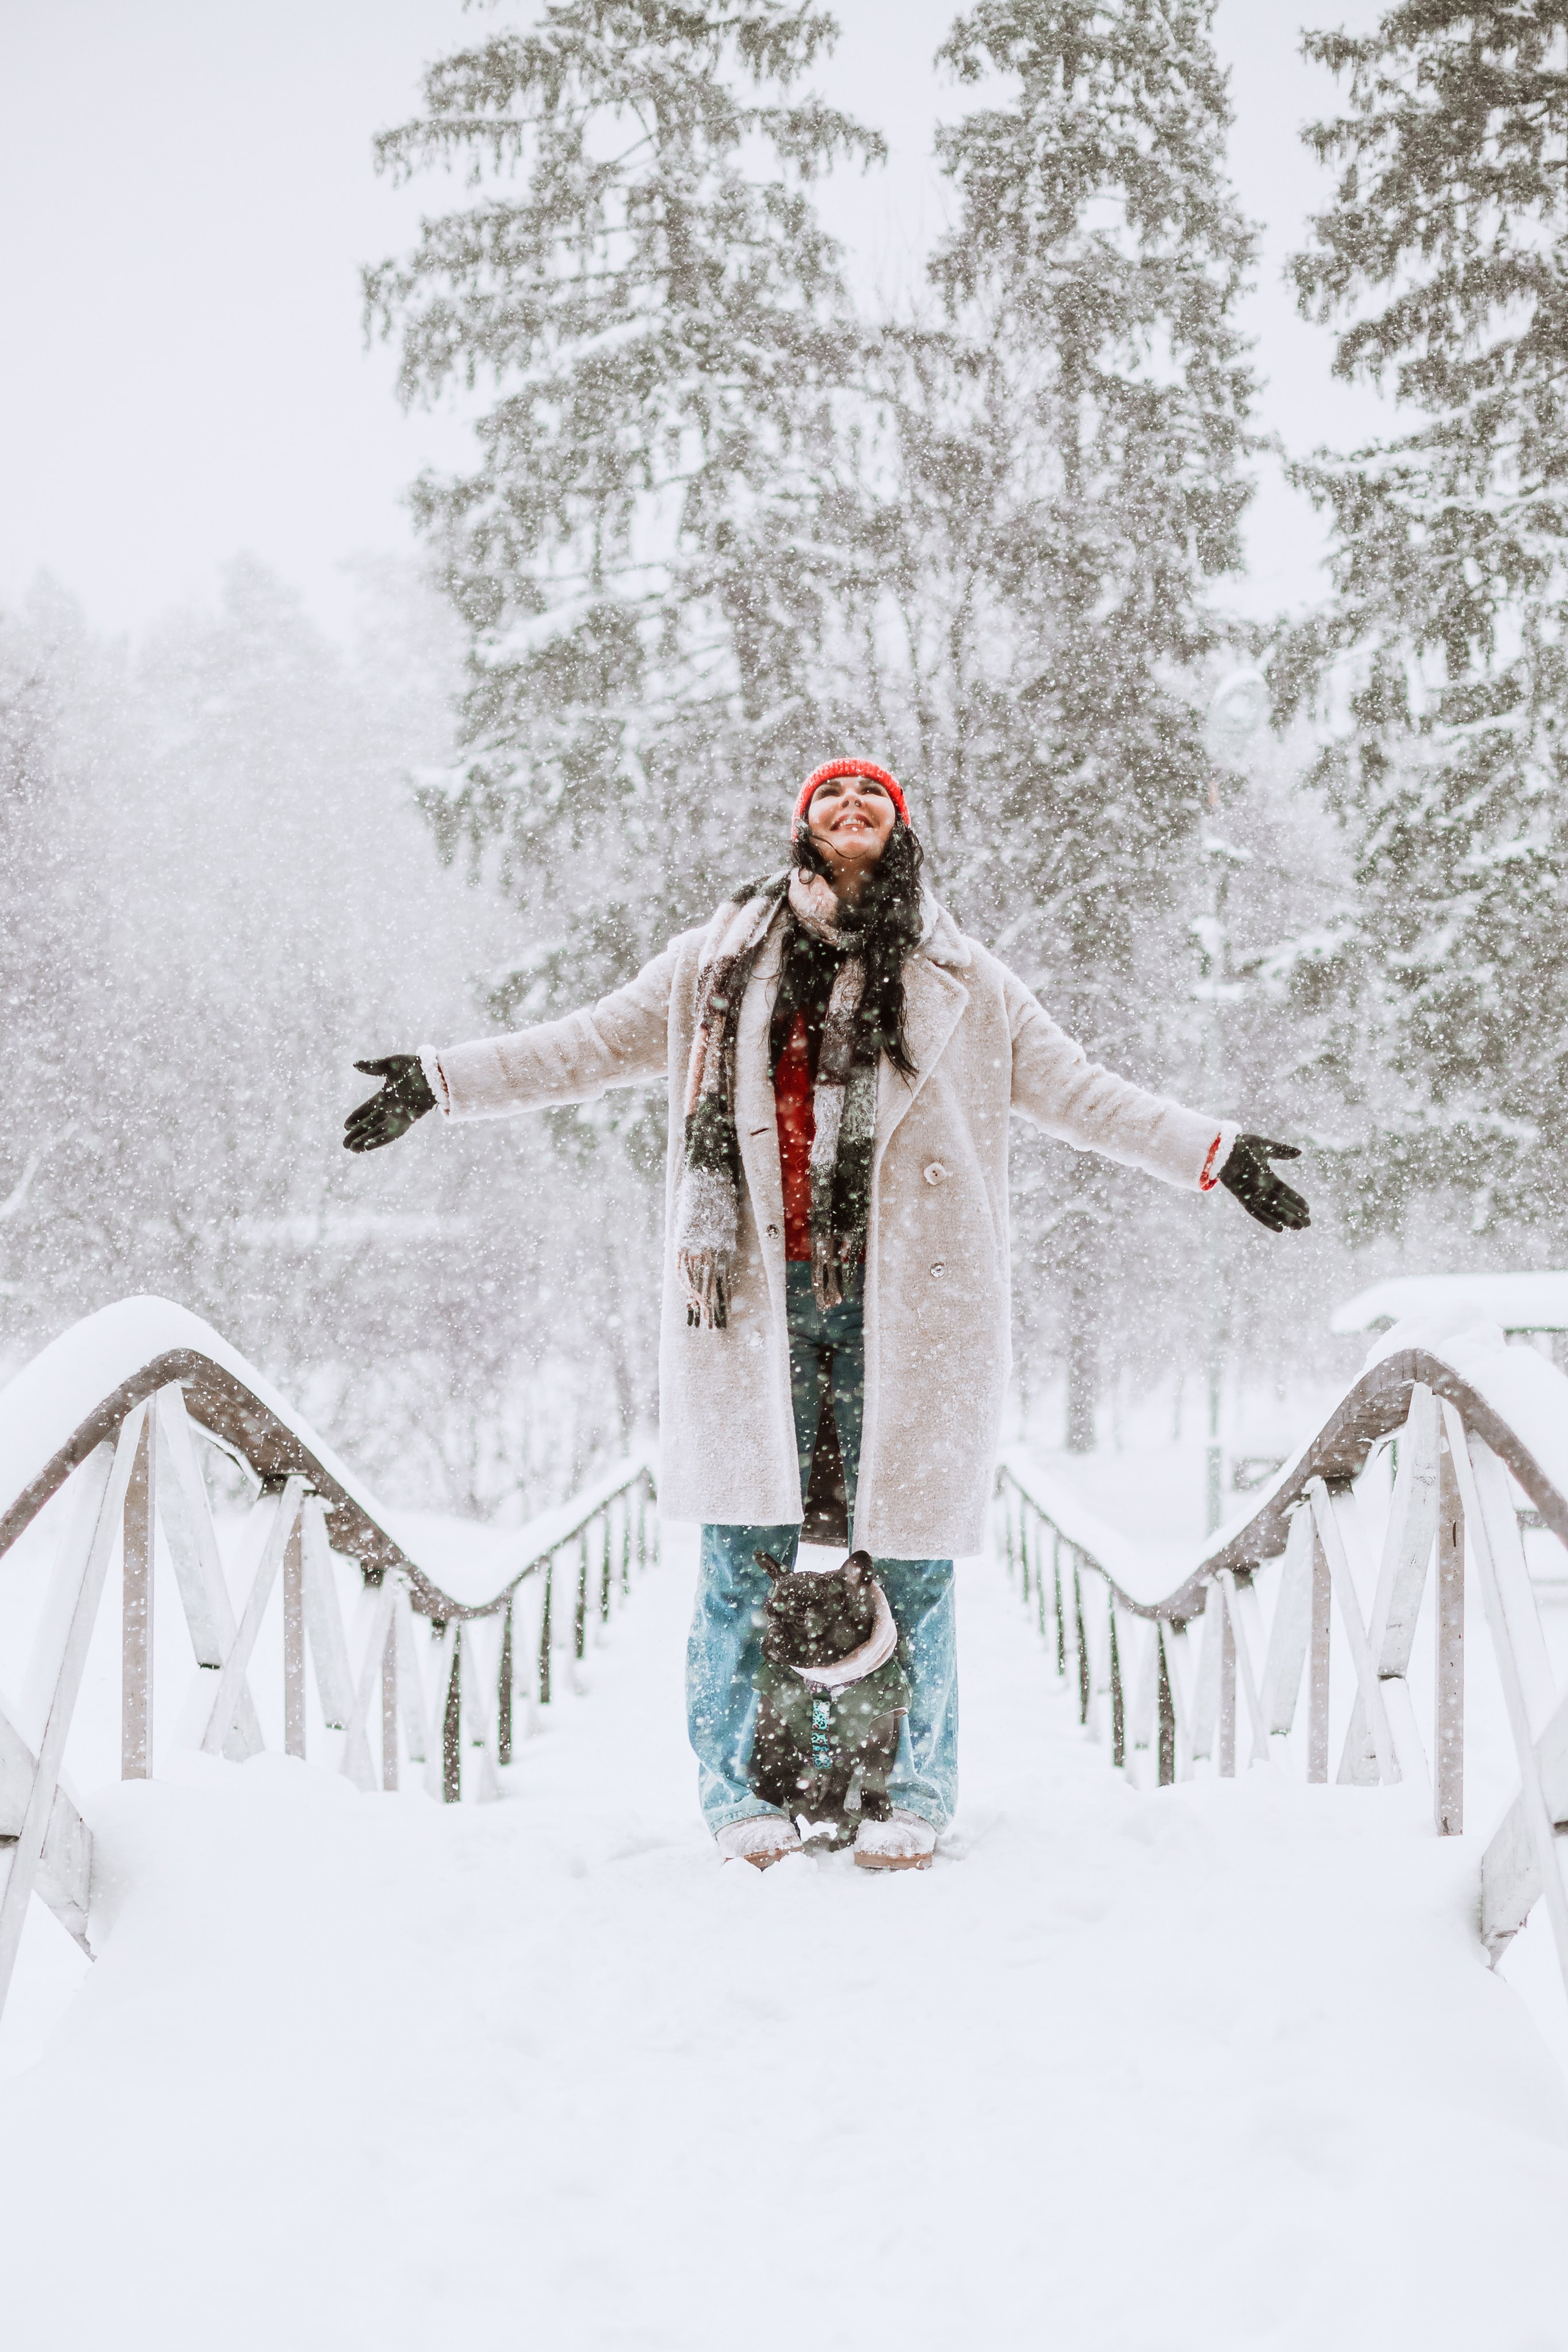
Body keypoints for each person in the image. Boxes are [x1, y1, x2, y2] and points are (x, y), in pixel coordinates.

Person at [344, 760, 1309, 1870]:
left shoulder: (967, 976)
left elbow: (1081, 1090)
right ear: (802, 825)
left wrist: (1215, 1153)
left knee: (913, 1551)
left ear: (899, 825)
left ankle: (915, 1790)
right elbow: (583, 1043)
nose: (850, 810)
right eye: (829, 797)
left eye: (872, 797)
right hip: (748, 1298)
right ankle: (739, 1795)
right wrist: (440, 1080)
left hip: (916, 1301)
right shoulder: (718, 962)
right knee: (739, 1551)